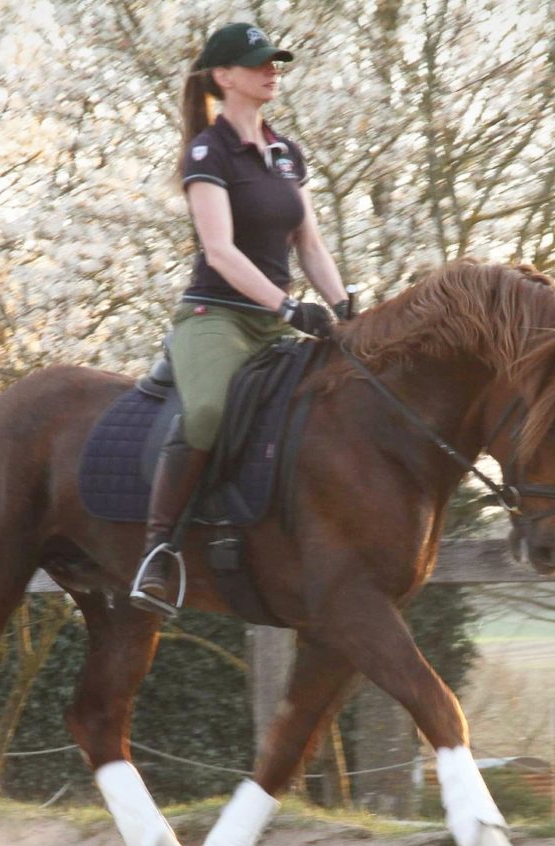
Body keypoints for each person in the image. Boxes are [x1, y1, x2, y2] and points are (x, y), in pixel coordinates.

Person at [130, 22, 351, 615]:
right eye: (259, 64)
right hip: (216, 316)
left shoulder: (286, 153)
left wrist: (344, 305)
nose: (272, 70)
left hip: (276, 322)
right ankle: (159, 551)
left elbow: (309, 245)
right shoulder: (207, 152)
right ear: (224, 77)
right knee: (206, 411)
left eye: (275, 62)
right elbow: (221, 251)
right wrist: (285, 305)